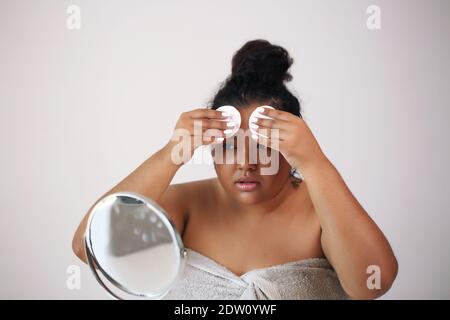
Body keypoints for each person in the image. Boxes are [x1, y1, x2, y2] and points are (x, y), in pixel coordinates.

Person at [72, 39, 398, 299]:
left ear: (292, 148)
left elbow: (372, 283)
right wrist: (171, 153)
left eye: (264, 145)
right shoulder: (186, 205)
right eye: (229, 145)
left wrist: (316, 163)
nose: (246, 162)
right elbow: (89, 248)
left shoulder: (322, 214)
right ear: (210, 147)